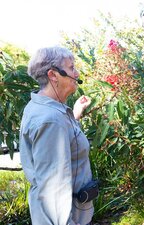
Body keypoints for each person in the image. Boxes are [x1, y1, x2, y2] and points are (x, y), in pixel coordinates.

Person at [19, 46, 94, 225]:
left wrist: (75, 114)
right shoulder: (51, 120)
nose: (76, 73)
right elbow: (54, 189)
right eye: (71, 68)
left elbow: (61, 140)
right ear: (53, 75)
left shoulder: (45, 108)